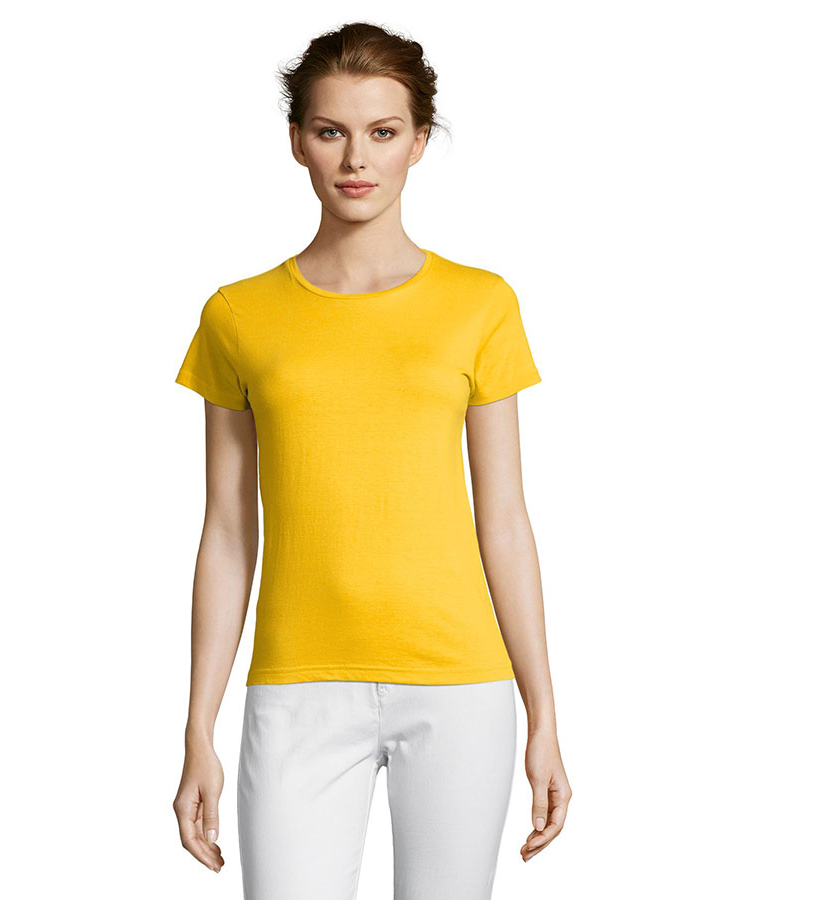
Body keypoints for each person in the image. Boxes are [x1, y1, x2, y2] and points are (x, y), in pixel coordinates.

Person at [172, 21, 571, 899]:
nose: (357, 158)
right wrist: (199, 726)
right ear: (297, 142)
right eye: (332, 131)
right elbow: (228, 531)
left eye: (383, 132)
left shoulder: (480, 305)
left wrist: (544, 713)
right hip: (297, 686)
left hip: (459, 684)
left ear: (419, 142)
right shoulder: (238, 316)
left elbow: (504, 518)